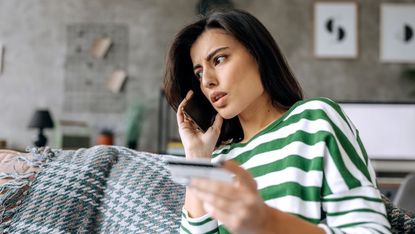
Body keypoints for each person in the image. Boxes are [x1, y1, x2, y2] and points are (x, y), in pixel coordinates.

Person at [163, 9, 391, 234]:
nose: (208, 81)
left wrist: (267, 223)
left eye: (219, 59)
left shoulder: (315, 120)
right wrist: (198, 158)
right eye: (199, 73)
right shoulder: (220, 159)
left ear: (259, 56)